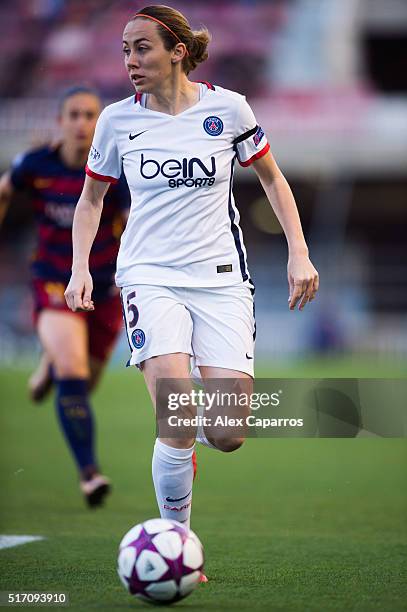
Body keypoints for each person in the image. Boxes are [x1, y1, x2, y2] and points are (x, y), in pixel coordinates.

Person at [65, 3, 319, 555]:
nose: (131, 60)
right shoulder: (116, 120)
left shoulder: (229, 110)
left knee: (227, 434)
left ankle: (183, 434)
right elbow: (91, 200)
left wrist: (299, 252)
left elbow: (274, 182)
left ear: (178, 52)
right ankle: (175, 544)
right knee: (176, 419)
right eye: (125, 50)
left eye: (142, 48)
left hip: (222, 279)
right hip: (148, 277)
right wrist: (81, 265)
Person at [0, 86, 130, 506]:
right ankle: (90, 474)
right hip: (54, 280)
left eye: (90, 115)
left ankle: (48, 364)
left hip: (107, 289)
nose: (81, 123)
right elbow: (5, 190)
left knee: (83, 383)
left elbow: (131, 222)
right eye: (73, 115)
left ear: (100, 123)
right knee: (73, 371)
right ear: (61, 122)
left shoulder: (120, 169)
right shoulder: (35, 164)